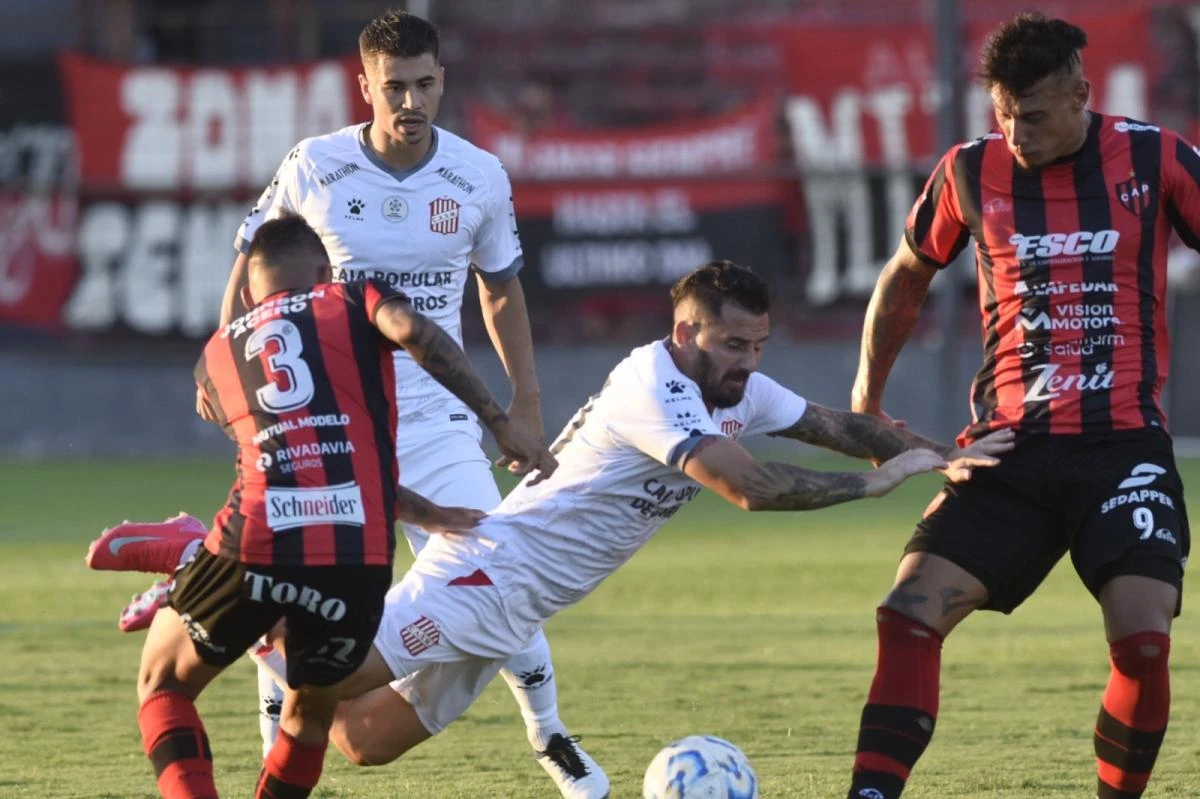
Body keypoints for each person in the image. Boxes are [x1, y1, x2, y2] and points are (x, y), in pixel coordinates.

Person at [89, 10, 611, 796]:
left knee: (499, 573)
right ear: (363, 85)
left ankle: (548, 733)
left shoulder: (478, 176)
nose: (410, 101)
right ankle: (276, 735)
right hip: (329, 413)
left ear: (443, 82)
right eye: (393, 86)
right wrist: (225, 354)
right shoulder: (316, 165)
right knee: (297, 581)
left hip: (437, 418)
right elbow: (253, 261)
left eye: (425, 84)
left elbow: (500, 292)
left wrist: (525, 403)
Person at [221, 260, 1012, 777]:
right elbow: (747, 487)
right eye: (734, 342)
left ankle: (263, 623)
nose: (749, 361)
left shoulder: (737, 387)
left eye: (760, 345)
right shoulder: (651, 383)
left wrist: (945, 456)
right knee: (308, 670)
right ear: (685, 334)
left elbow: (841, 427)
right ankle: (210, 564)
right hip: (487, 576)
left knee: (361, 742)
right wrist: (869, 489)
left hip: (519, 605)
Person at [842, 13, 1193, 799]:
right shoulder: (969, 171)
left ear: (1081, 95)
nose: (1015, 132)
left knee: (1141, 641)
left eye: (1032, 115)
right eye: (1002, 113)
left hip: (1122, 447)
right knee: (906, 613)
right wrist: (868, 396)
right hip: (1009, 450)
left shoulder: (1156, 156)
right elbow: (906, 275)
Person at [136, 215, 552, 799]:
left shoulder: (217, 355)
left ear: (252, 289)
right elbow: (415, 334)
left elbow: (290, 458)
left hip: (258, 537)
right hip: (358, 556)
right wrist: (499, 422)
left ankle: (189, 555)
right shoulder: (353, 297)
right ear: (324, 271)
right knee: (309, 717)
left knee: (163, 684)